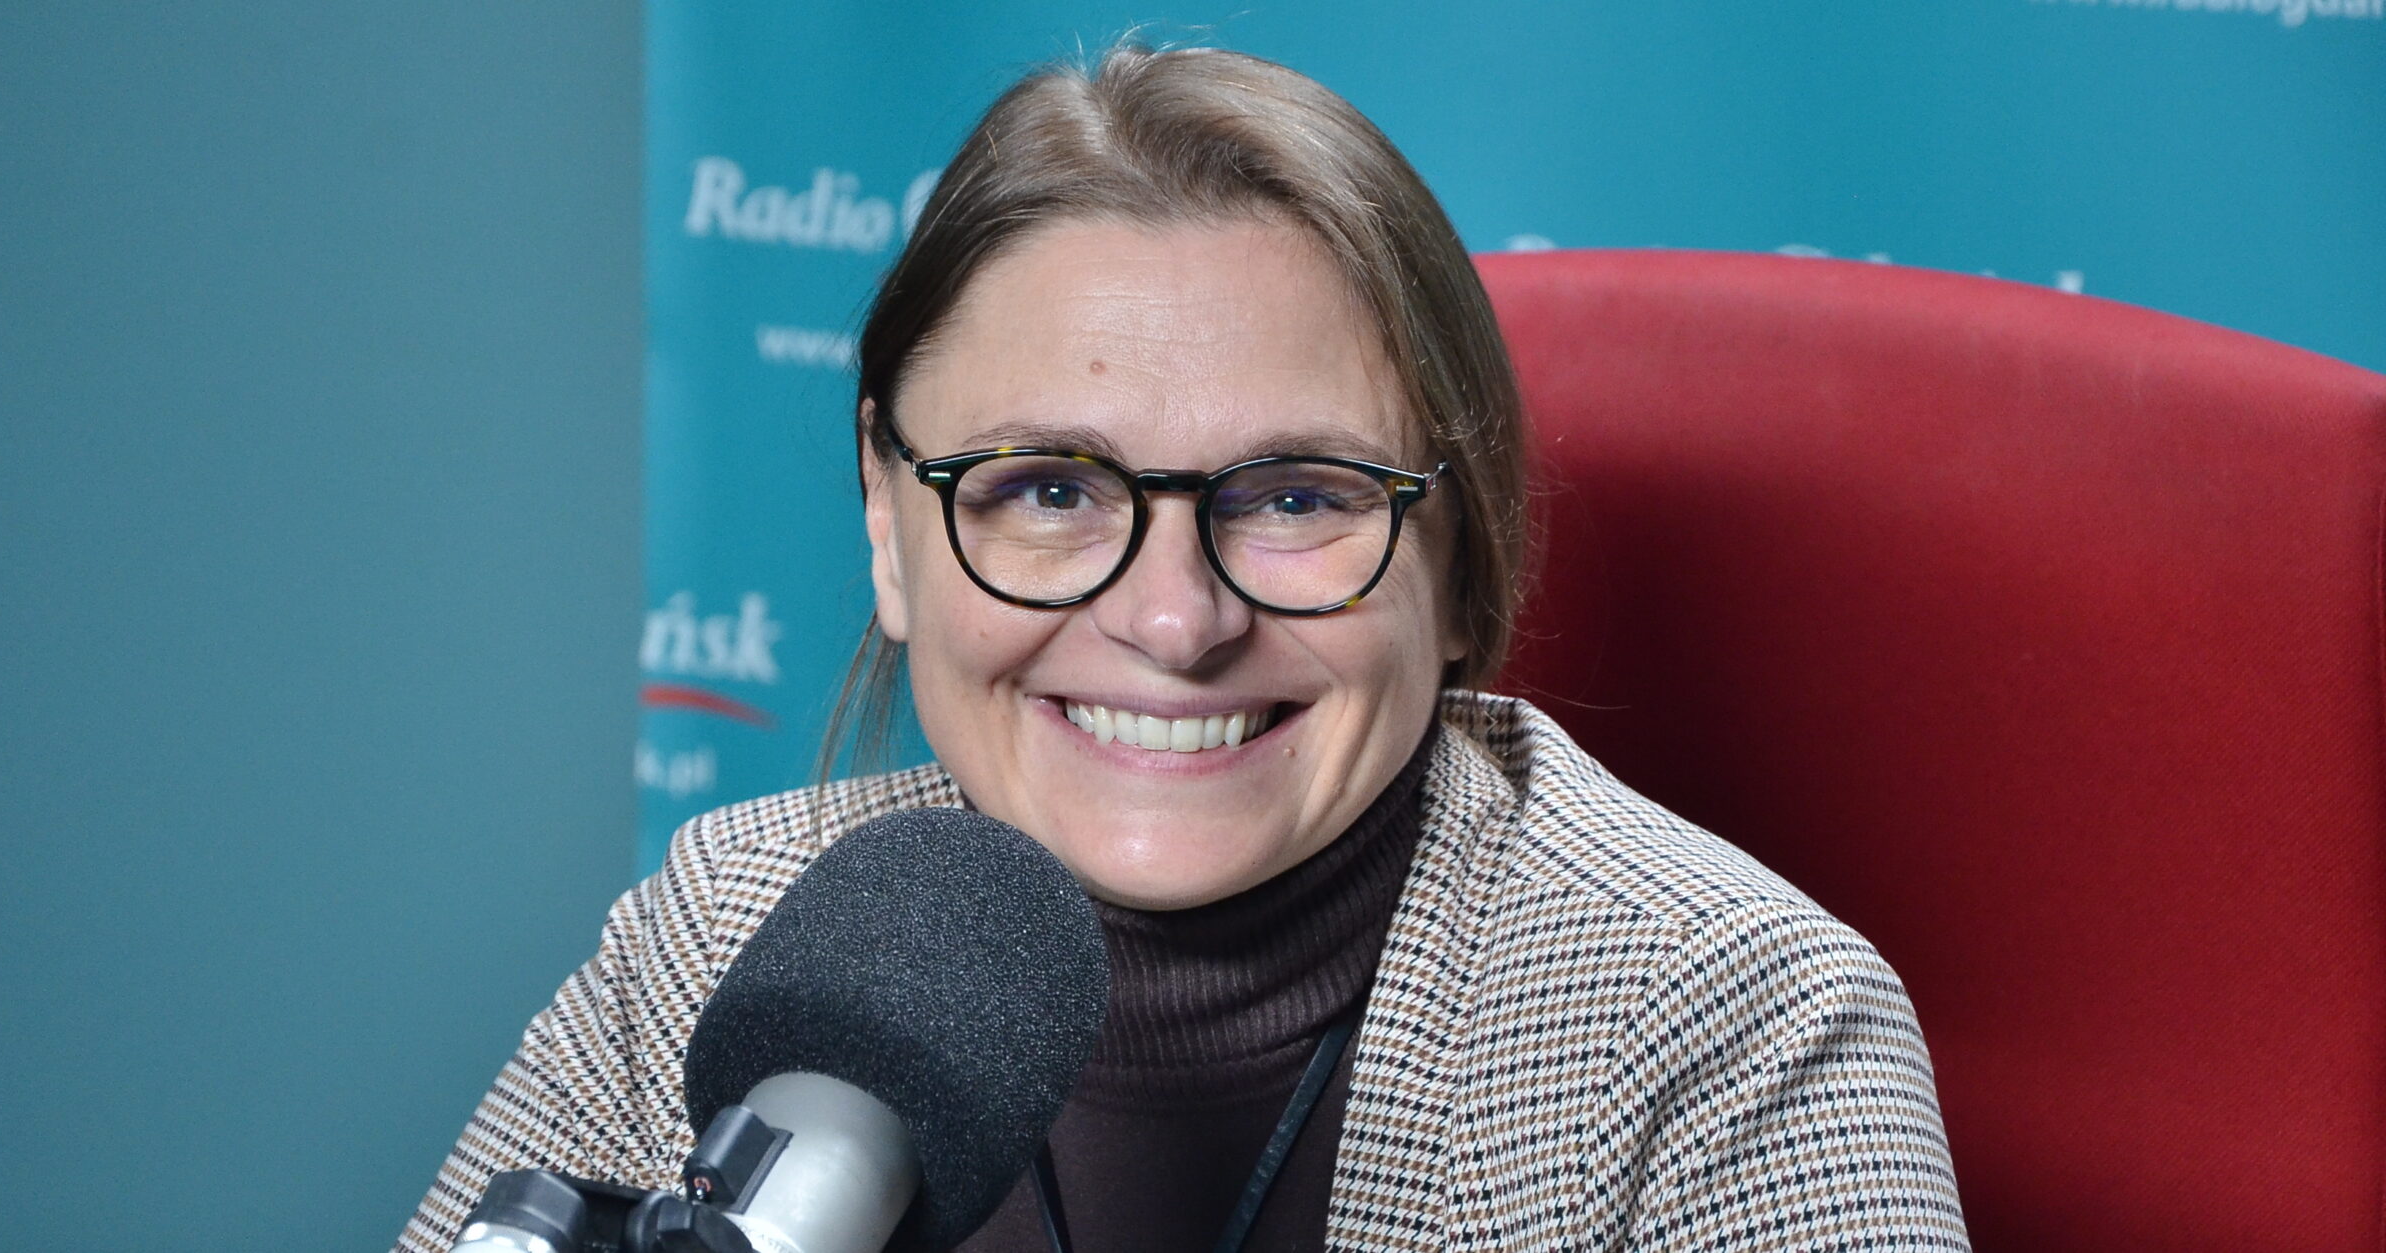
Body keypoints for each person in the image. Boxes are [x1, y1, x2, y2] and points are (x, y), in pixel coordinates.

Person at [398, 44, 1968, 1253]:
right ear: (888, 519)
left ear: (1460, 550)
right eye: (1047, 489)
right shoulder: (717, 935)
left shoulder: (1731, 1028)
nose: (1173, 620)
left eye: (1295, 497)